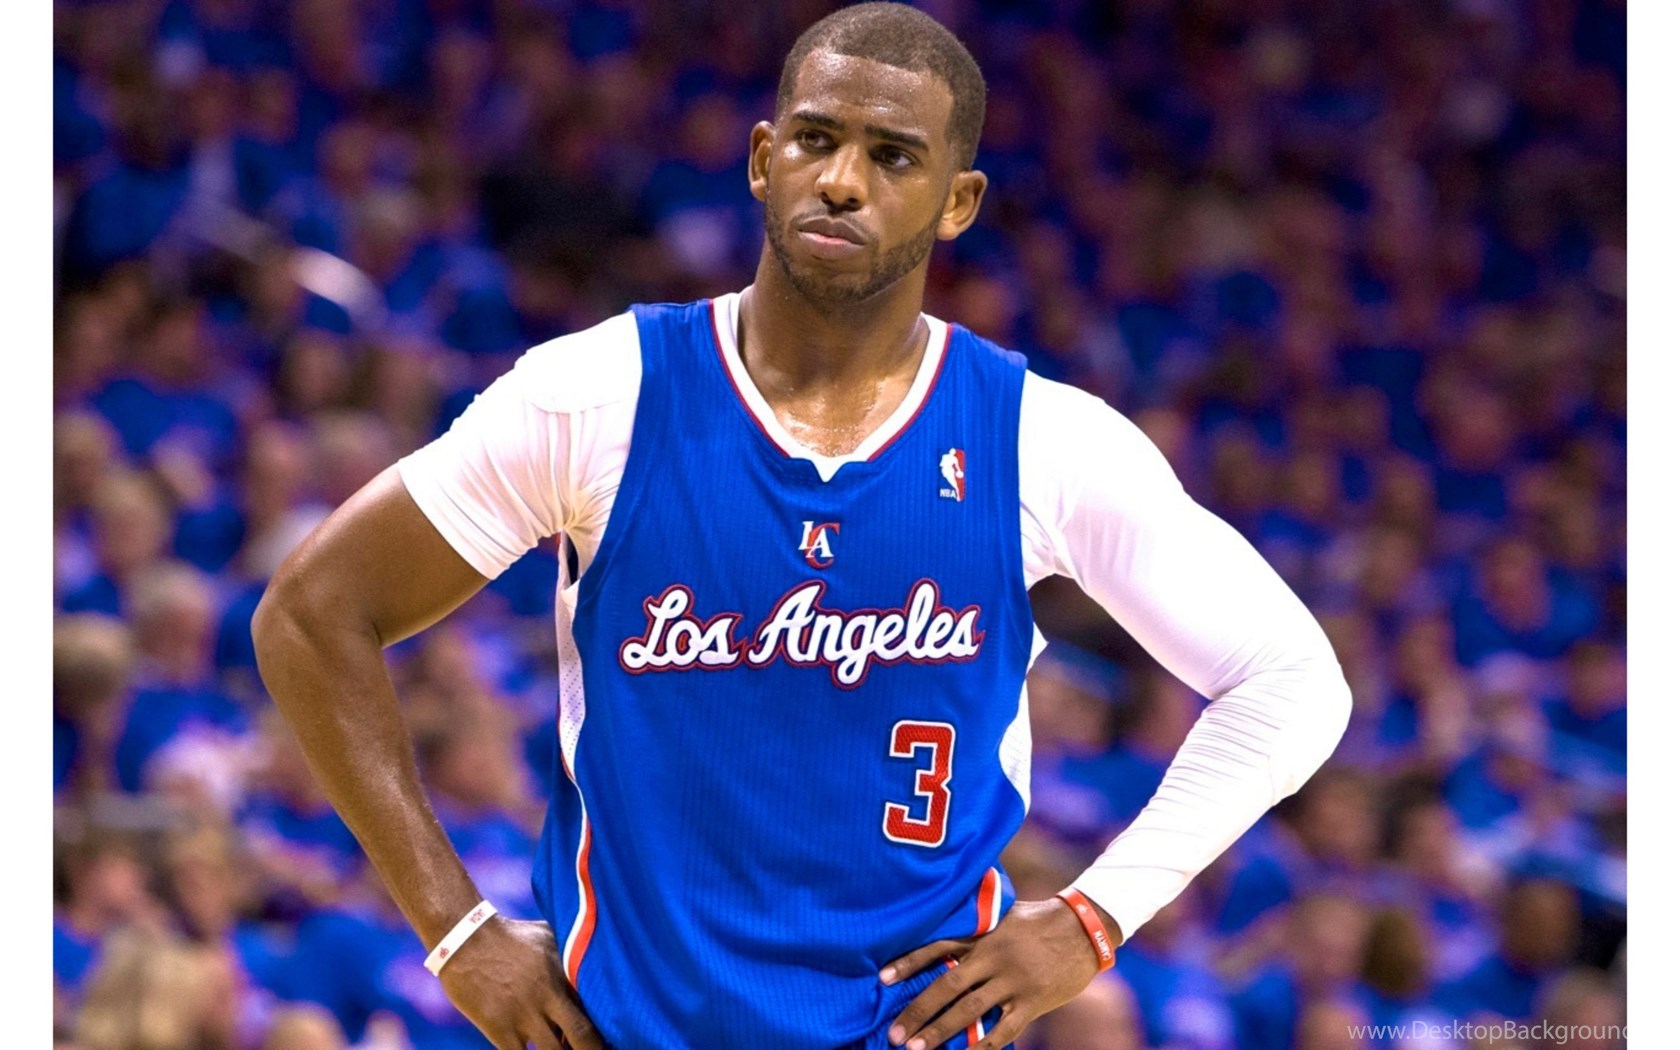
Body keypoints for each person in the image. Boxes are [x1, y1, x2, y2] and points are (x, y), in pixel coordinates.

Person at [252, 5, 1352, 1049]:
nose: (842, 180)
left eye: (893, 156)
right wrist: (456, 934)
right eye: (817, 140)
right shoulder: (598, 396)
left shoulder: (1043, 441)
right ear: (761, 157)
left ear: (958, 202)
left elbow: (1294, 683)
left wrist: (1092, 919)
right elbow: (311, 615)